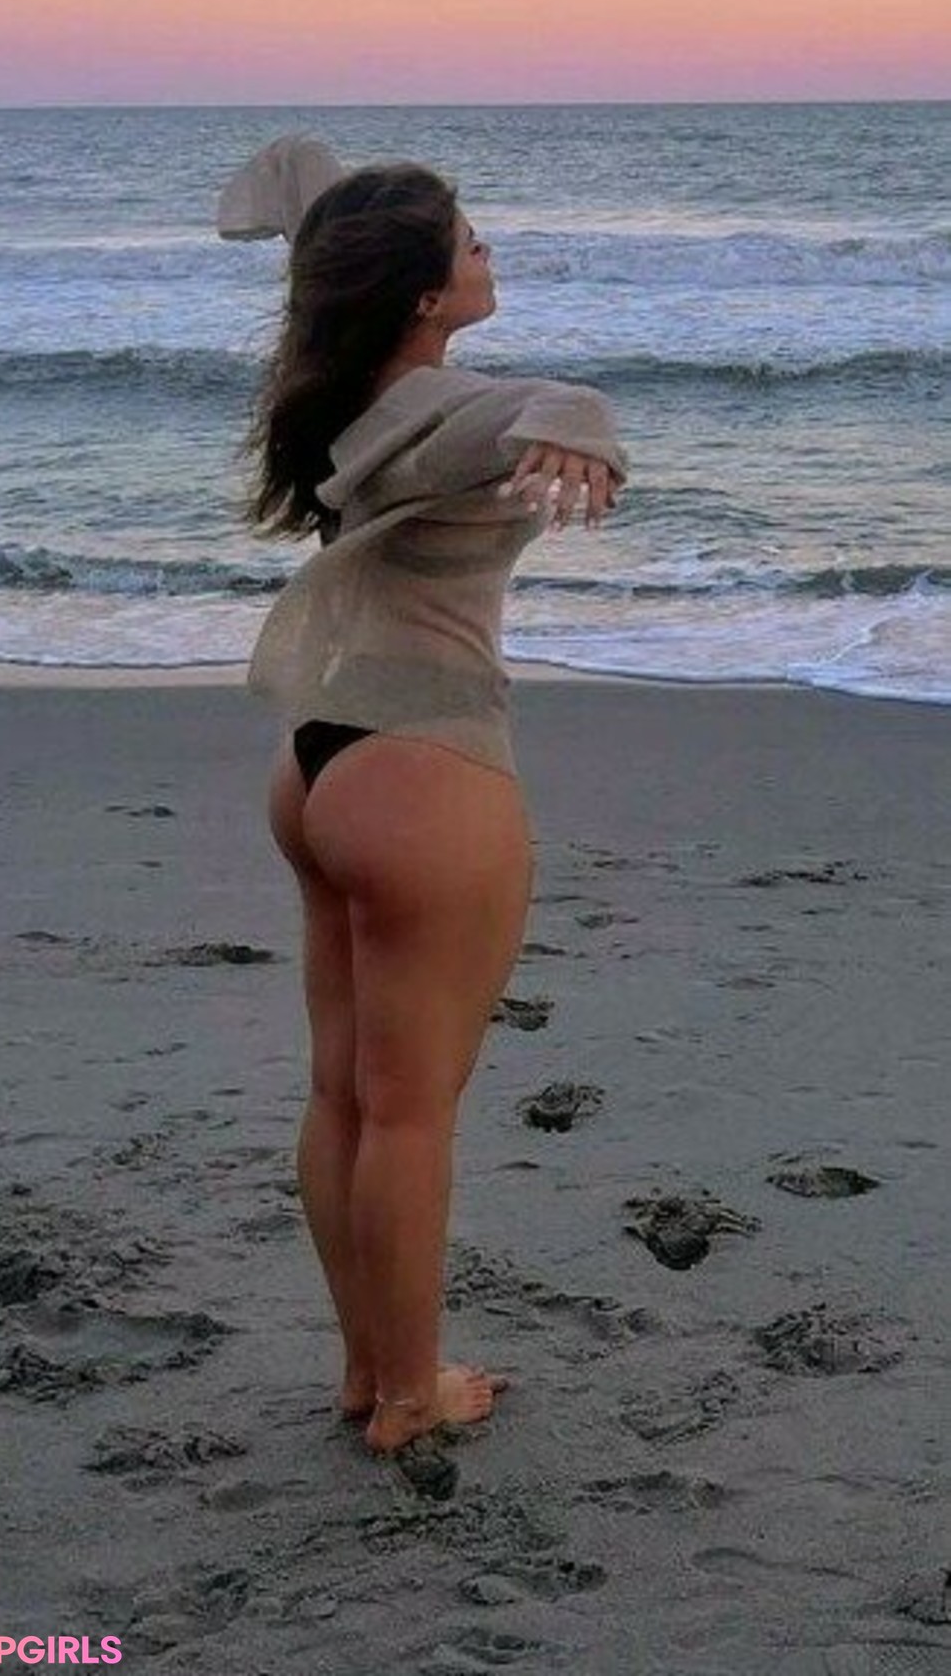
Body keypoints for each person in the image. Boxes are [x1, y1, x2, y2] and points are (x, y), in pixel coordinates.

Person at [223, 137, 628, 1456]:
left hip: (318, 764)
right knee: (410, 1111)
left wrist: (310, 200)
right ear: (419, 294)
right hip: (425, 770)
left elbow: (338, 243)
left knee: (344, 1095)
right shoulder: (448, 410)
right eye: (467, 244)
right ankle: (409, 1393)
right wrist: (580, 426)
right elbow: (543, 405)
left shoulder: (344, 392)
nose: (486, 253)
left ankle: (367, 1368)